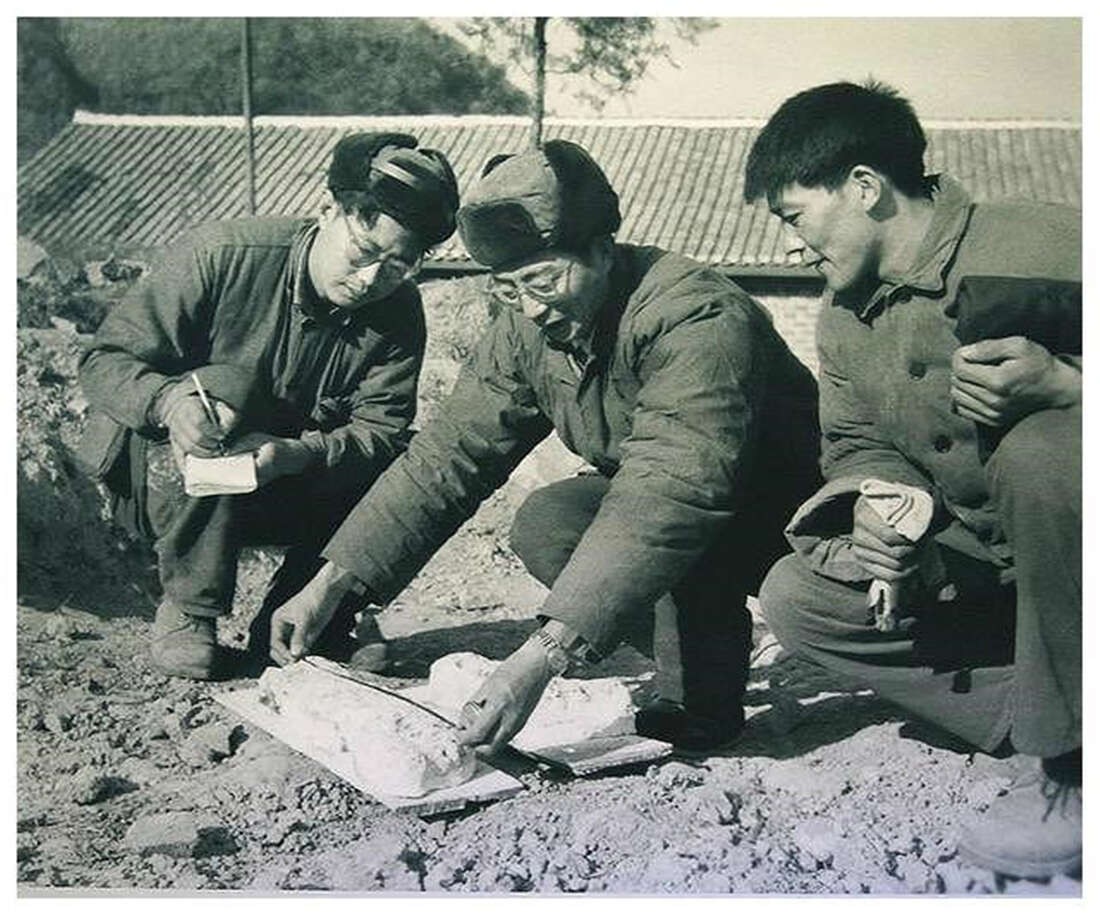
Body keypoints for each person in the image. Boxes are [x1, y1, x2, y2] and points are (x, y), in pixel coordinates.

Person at [266, 139, 821, 753]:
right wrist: (332, 583)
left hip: (784, 523)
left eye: (542, 280)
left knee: (669, 549)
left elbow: (672, 493)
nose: (529, 307)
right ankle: (697, 654)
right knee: (552, 521)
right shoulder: (527, 326)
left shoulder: (695, 314)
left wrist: (542, 656)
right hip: (674, 507)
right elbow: (448, 456)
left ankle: (706, 677)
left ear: (602, 252)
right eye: (507, 289)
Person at [745, 81, 1081, 879]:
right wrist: (886, 509)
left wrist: (1072, 386)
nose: (792, 248)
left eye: (794, 217)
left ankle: (1069, 768)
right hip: (996, 574)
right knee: (801, 596)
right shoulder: (839, 319)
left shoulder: (1045, 241)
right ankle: (1042, 705)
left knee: (1044, 451)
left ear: (864, 188)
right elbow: (860, 445)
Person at [77, 132, 460, 681]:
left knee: (402, 465)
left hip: (277, 478)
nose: (372, 280)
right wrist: (170, 402)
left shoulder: (399, 313)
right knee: (224, 389)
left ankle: (306, 618)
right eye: (365, 253)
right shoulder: (220, 254)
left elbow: (384, 428)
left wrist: (294, 454)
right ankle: (190, 610)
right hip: (164, 476)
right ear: (329, 210)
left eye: (398, 266)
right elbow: (105, 360)